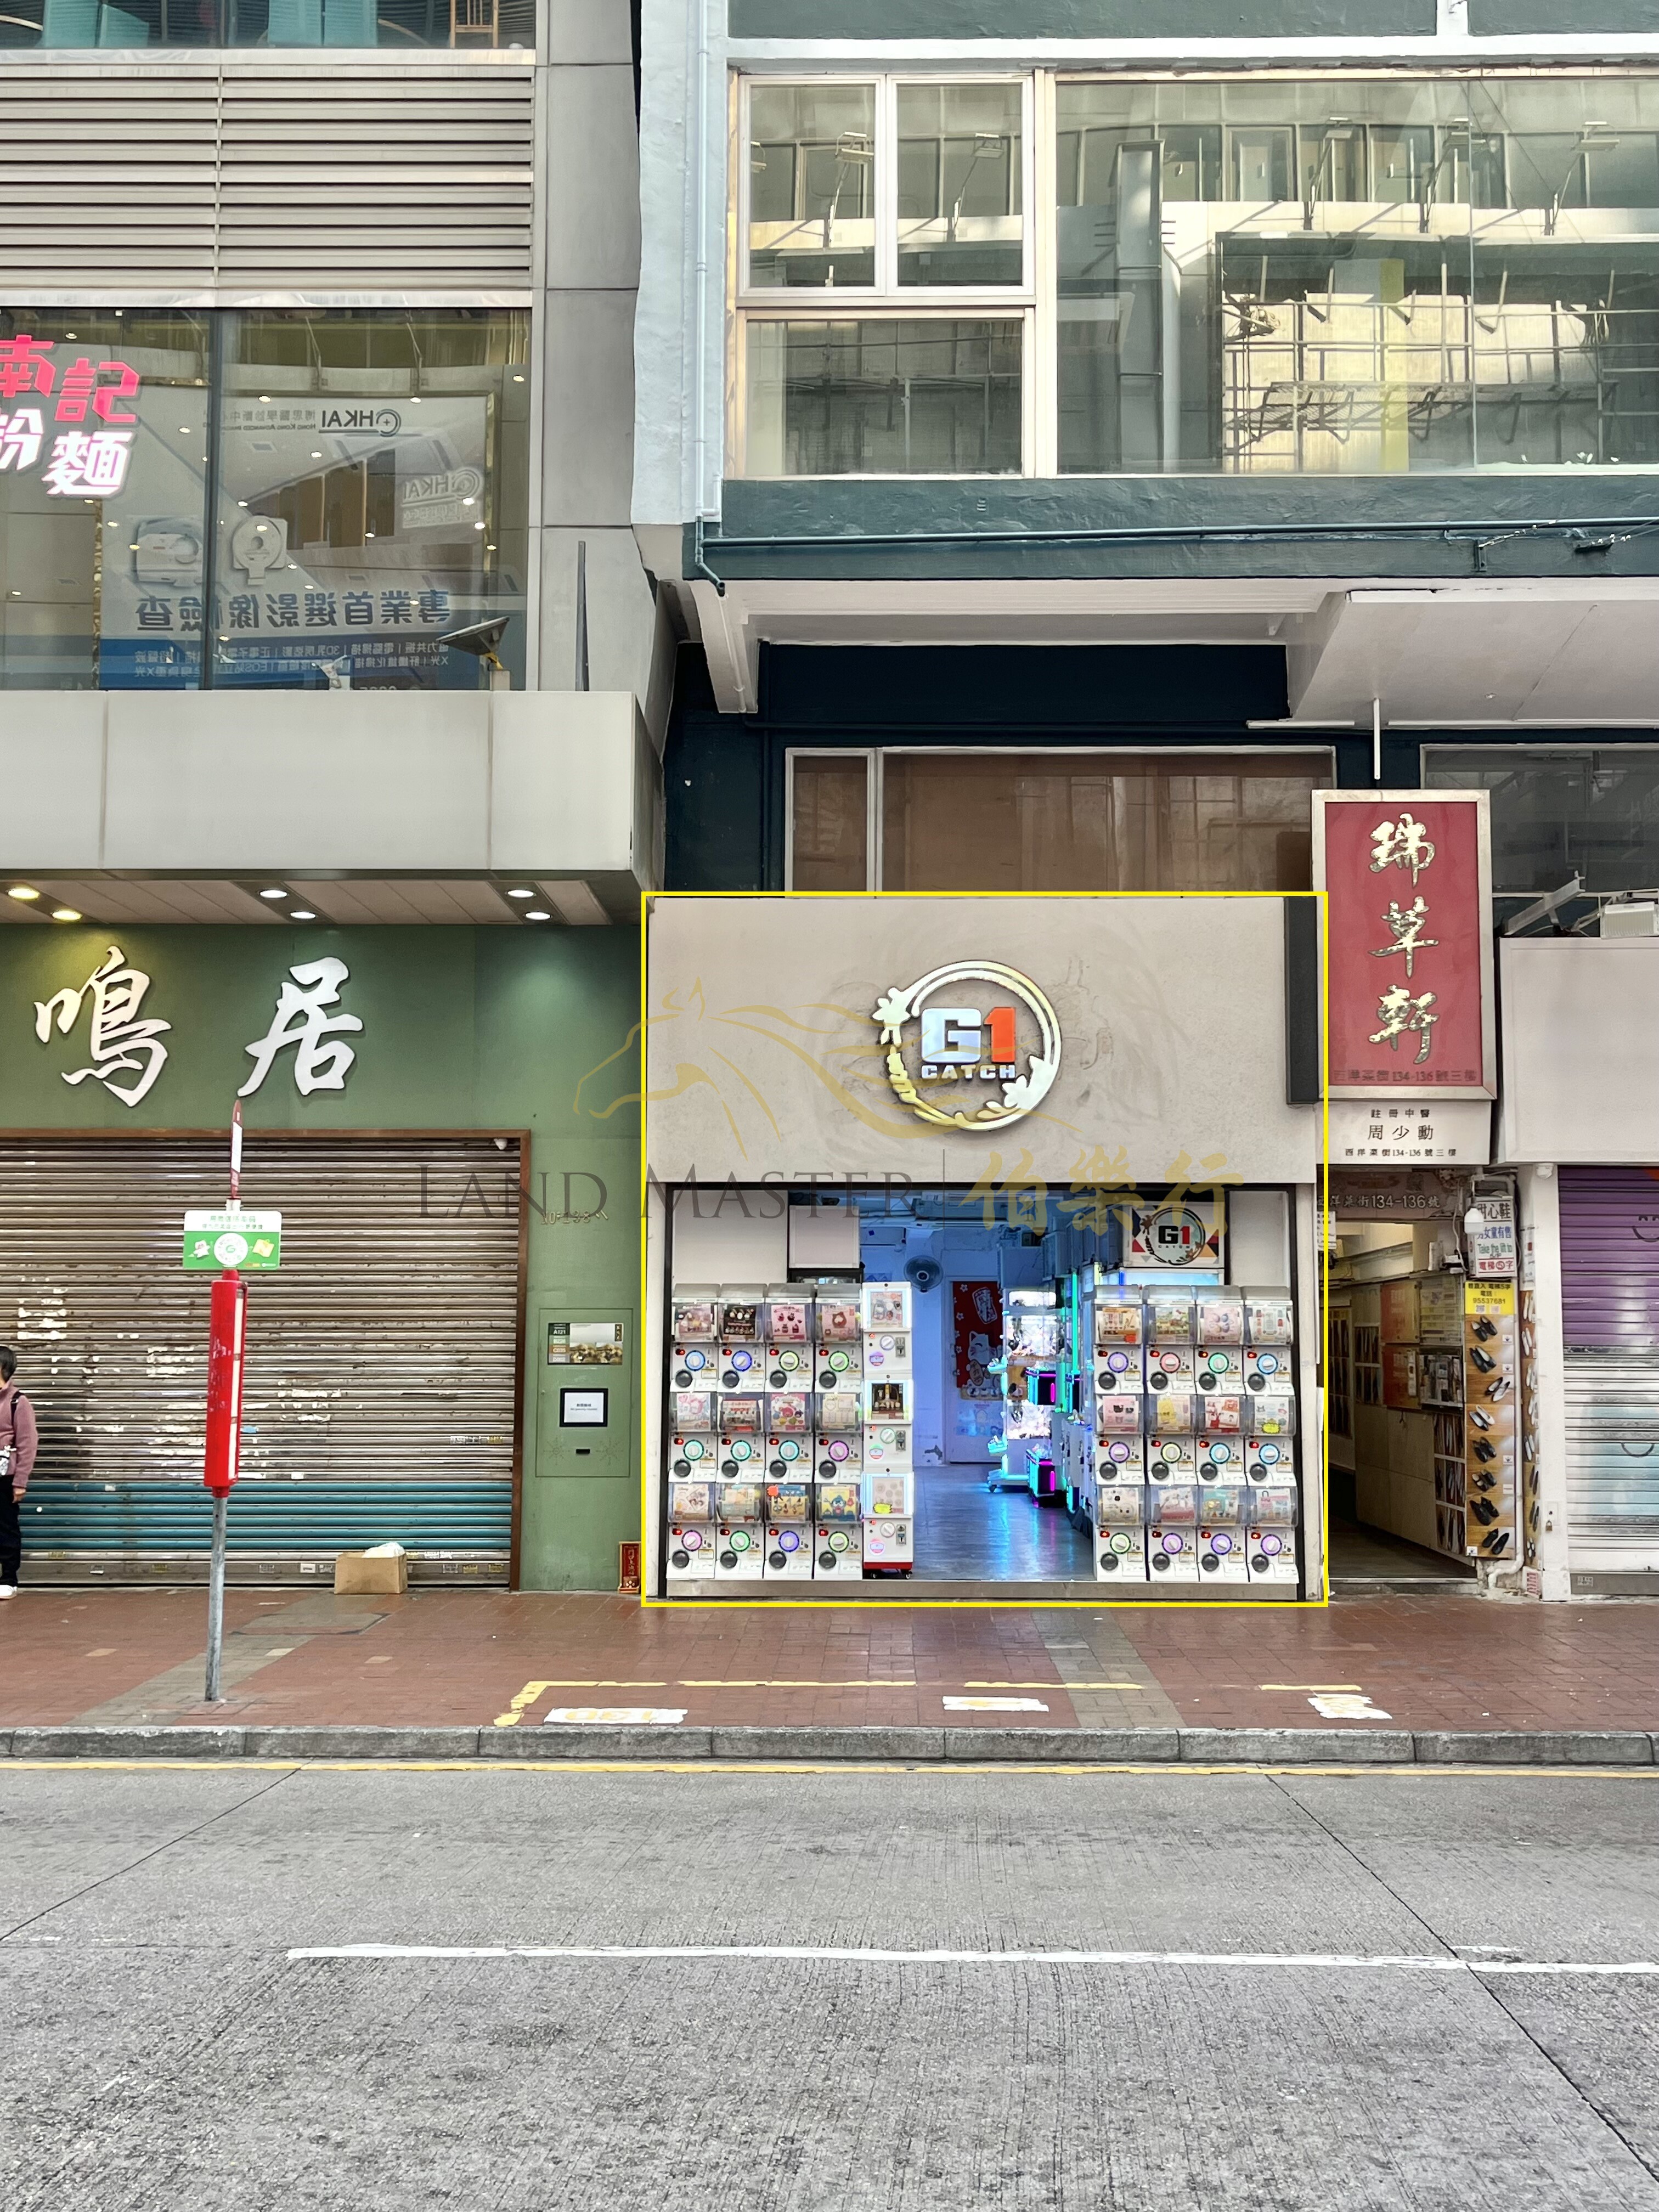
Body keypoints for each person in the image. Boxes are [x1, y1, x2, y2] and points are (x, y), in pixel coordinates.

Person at [0, 1346, 38, 1600]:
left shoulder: (17, 1402)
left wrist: (20, 1481)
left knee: (6, 1527)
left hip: (5, 1476)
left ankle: (8, 1579)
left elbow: (28, 1443)